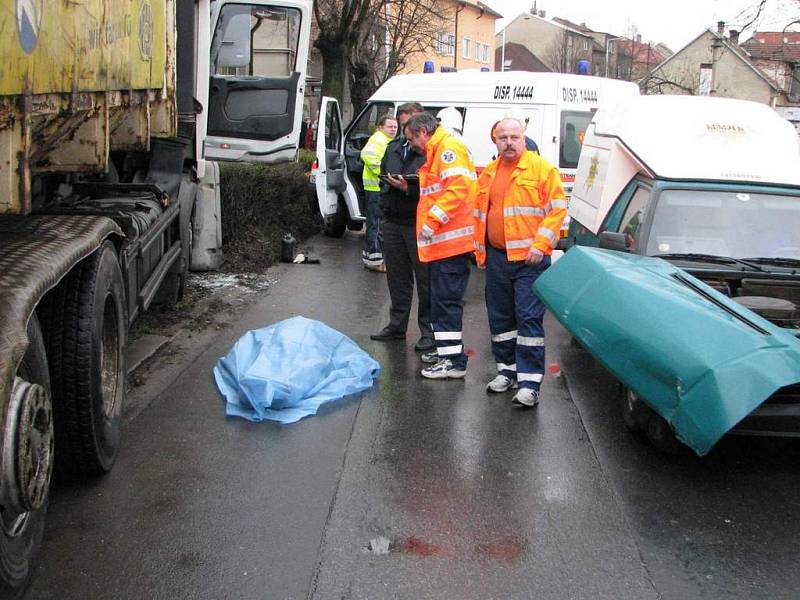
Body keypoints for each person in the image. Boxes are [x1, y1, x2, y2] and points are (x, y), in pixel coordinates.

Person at [474, 117, 566, 407]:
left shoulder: (541, 169)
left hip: (530, 260)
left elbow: (558, 210)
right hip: (498, 257)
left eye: (515, 137)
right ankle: (506, 371)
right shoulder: (489, 172)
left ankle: (529, 383)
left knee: (528, 319)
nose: (509, 142)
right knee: (501, 318)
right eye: (504, 137)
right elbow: (480, 215)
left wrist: (541, 244)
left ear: (524, 139)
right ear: (496, 141)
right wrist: (481, 252)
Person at [403, 112, 477, 379]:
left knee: (445, 302)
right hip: (445, 243)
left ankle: (453, 362)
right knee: (440, 301)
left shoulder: (447, 148)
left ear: (423, 132)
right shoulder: (440, 149)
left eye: (412, 140)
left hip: (450, 243)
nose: (412, 146)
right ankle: (447, 351)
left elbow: (458, 189)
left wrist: (432, 221)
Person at [370, 103, 435, 352]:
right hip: (394, 220)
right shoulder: (394, 147)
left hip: (418, 223)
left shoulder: (428, 151)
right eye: (403, 123)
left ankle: (427, 331)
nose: (406, 130)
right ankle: (397, 326)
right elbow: (385, 171)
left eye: (410, 124)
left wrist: (409, 188)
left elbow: (433, 187)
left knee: (425, 281)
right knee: (397, 279)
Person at [361, 115, 398, 272]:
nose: (393, 129)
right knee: (376, 225)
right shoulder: (378, 139)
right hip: (376, 188)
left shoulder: (385, 140)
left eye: (395, 127)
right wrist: (384, 176)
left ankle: (372, 258)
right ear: (380, 127)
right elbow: (367, 155)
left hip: (377, 188)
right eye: (390, 126)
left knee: (375, 225)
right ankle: (375, 262)